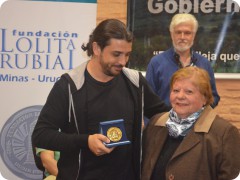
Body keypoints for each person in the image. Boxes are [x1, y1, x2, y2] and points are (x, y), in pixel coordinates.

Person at [32, 19, 169, 180]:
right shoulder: (69, 86)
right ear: (97, 48)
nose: (123, 62)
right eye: (116, 54)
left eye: (127, 55)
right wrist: (86, 141)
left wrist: (146, 128)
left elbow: (163, 114)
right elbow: (41, 135)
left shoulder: (135, 82)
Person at [141, 66, 240, 180]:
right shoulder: (156, 123)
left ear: (205, 98)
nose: (180, 96)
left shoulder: (224, 134)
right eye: (176, 90)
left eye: (189, 92)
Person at [146, 13, 220, 108]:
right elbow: (148, 100)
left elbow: (213, 97)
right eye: (178, 32)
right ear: (171, 34)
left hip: (197, 122)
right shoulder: (156, 63)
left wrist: (198, 113)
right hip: (164, 122)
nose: (182, 37)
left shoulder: (204, 63)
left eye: (187, 33)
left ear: (194, 35)